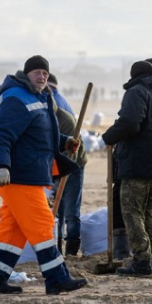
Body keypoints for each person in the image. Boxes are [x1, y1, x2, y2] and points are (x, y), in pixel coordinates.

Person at [0, 55, 87, 295]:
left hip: (31, 174)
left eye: (46, 74)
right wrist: (1, 166)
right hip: (19, 176)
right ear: (25, 74)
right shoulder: (17, 99)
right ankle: (57, 279)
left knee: (11, 232)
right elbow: (0, 135)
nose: (42, 76)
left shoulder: (38, 98)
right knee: (42, 225)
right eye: (37, 72)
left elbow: (40, 136)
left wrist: (65, 142)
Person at [102, 60, 152, 277]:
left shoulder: (138, 91)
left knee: (132, 211)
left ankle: (142, 262)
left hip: (140, 162)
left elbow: (130, 122)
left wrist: (109, 137)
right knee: (150, 212)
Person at [51, 97, 86, 256]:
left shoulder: (66, 121)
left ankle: (71, 249)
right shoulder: (41, 118)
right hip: (52, 168)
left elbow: (71, 151)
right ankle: (56, 246)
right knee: (56, 209)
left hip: (73, 166)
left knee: (71, 210)